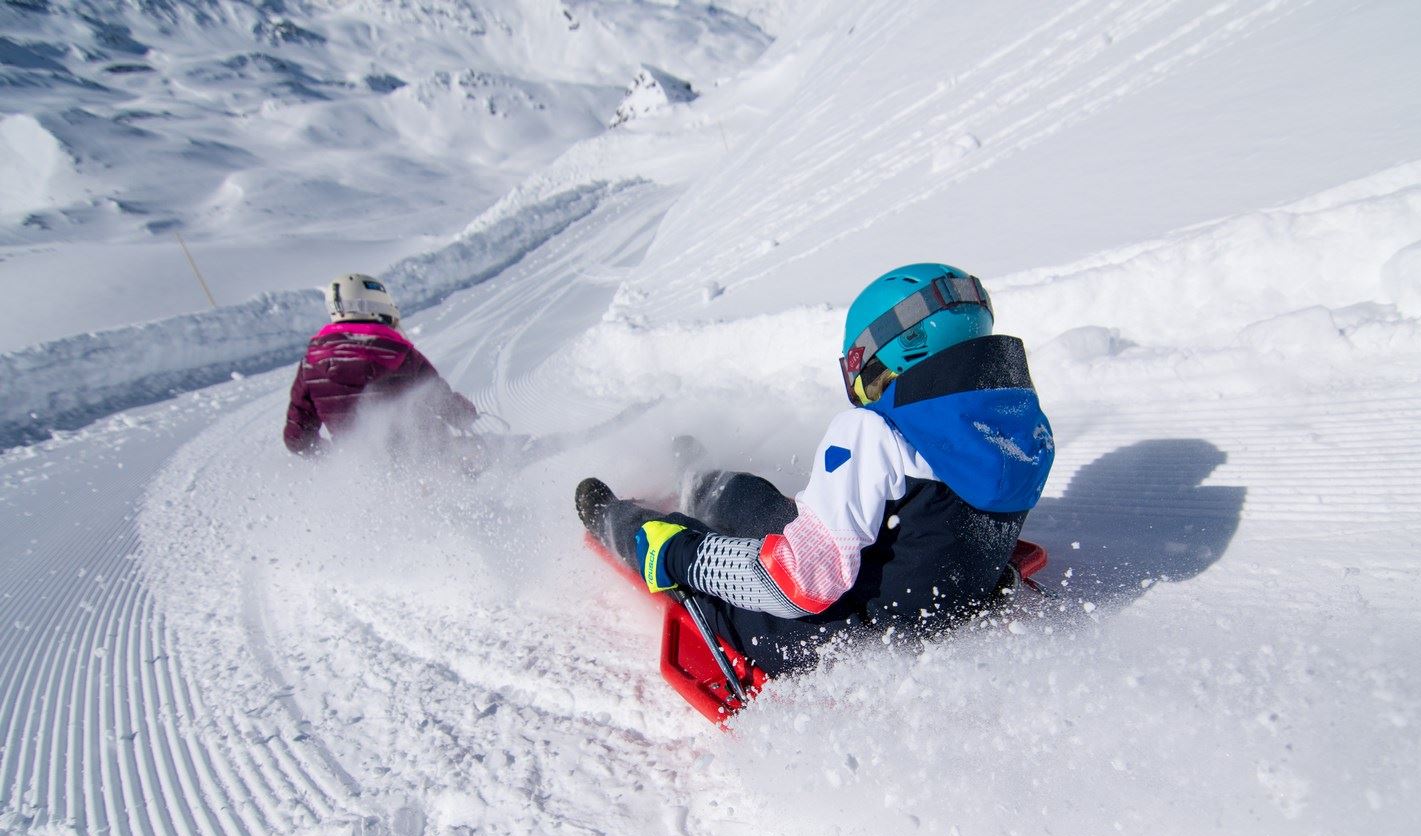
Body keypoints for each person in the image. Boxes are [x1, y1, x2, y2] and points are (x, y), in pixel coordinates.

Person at [576, 263, 1055, 677]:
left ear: (892, 348)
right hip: (930, 617)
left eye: (858, 364)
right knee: (770, 508)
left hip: (829, 645)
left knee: (674, 536)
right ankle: (698, 480)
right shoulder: (1021, 429)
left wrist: (683, 554)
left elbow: (796, 588)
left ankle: (612, 518)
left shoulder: (873, 434)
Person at [283, 273, 478, 455]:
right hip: (419, 456)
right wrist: (465, 414)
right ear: (378, 307)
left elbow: (297, 437)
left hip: (359, 467)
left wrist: (334, 457)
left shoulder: (311, 363)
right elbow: (440, 399)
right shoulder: (398, 352)